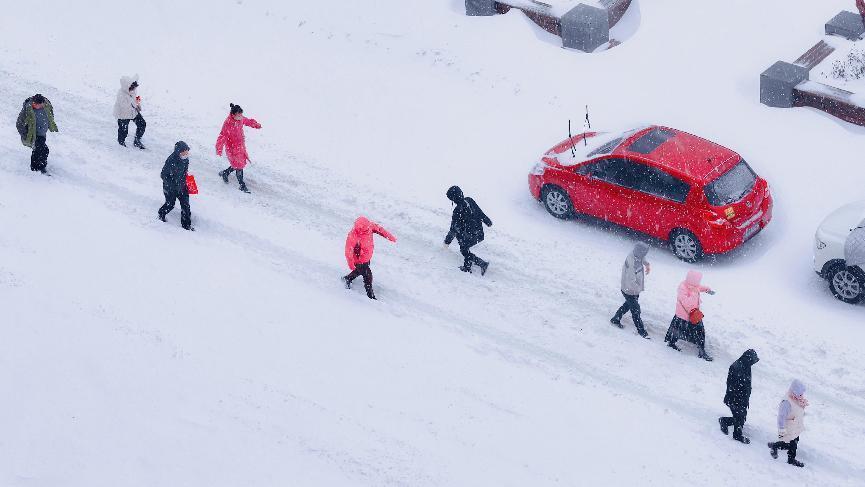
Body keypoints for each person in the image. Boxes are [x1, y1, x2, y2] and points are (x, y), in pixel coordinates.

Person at [664, 270, 715, 361]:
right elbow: (687, 303)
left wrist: (707, 290)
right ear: (692, 280)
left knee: (699, 332)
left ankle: (701, 350)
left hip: (694, 314)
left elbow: (700, 287)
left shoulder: (694, 286)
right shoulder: (682, 287)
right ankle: (671, 343)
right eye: (697, 281)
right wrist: (694, 293)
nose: (698, 283)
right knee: (678, 331)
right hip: (683, 316)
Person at [342, 217, 396, 300]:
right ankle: (370, 296)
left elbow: (380, 230)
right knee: (368, 276)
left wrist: (390, 237)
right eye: (365, 228)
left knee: (361, 271)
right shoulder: (353, 236)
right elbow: (348, 251)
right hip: (358, 259)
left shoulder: (369, 226)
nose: (368, 229)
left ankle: (348, 278)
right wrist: (351, 264)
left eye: (368, 227)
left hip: (367, 256)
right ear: (360, 228)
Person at [444, 186, 492, 275]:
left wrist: (447, 241)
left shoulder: (457, 211)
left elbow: (453, 229)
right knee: (464, 245)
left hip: (471, 235)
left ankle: (477, 265)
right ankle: (472, 265)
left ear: (453, 199)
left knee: (463, 248)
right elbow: (479, 212)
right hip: (479, 234)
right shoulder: (469, 200)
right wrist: (487, 221)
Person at [216, 103, 261, 193]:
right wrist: (219, 148)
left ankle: (225, 172)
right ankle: (241, 184)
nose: (241, 117)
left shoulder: (239, 118)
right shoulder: (228, 124)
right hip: (232, 148)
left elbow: (247, 121)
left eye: (241, 115)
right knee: (239, 165)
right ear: (233, 115)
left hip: (240, 146)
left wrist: (255, 124)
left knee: (238, 163)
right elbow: (222, 136)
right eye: (239, 115)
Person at [610, 242, 651, 338]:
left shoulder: (637, 255)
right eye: (643, 253)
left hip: (634, 290)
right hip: (629, 290)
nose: (644, 255)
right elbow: (632, 281)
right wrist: (638, 288)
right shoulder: (631, 262)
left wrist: (647, 264)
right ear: (639, 252)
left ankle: (615, 319)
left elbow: (643, 258)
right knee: (636, 310)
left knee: (628, 305)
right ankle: (641, 331)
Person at [719, 349, 759, 444]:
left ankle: (724, 420)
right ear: (748, 359)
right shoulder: (736, 367)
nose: (753, 363)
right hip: (735, 398)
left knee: (741, 417)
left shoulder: (746, 365)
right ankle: (737, 435)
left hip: (742, 398)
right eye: (753, 360)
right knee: (740, 416)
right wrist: (738, 399)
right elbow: (732, 385)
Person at [768, 379, 809, 468]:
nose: (802, 395)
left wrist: (801, 414)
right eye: (800, 393)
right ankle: (790, 458)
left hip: (795, 426)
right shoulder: (786, 402)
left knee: (793, 441)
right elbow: (781, 417)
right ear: (795, 391)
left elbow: (796, 409)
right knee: (790, 443)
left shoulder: (796, 398)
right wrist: (781, 429)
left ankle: (776, 446)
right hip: (788, 427)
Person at [16, 94, 58, 174]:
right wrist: (26, 135)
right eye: (34, 104)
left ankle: (36, 167)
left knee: (39, 150)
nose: (35, 106)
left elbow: (50, 115)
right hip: (34, 134)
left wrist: (49, 124)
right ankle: (39, 167)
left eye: (38, 105)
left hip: (42, 133)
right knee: (43, 150)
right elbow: (19, 123)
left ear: (42, 103)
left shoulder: (47, 105)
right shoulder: (28, 109)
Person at [158, 141, 194, 231]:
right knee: (170, 205)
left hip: (182, 186)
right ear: (179, 152)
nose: (186, 154)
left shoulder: (186, 159)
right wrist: (173, 185)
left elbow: (185, 171)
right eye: (184, 152)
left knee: (186, 206)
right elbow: (163, 175)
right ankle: (161, 214)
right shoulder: (171, 160)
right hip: (170, 188)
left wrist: (188, 181)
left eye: (187, 151)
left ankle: (186, 226)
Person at [114, 75, 146, 149]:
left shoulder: (133, 90)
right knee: (123, 131)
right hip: (123, 114)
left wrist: (138, 102)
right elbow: (125, 107)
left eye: (134, 87)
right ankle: (121, 143)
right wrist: (135, 104)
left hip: (133, 112)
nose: (134, 89)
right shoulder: (121, 94)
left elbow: (135, 98)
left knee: (142, 124)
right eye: (132, 87)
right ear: (126, 86)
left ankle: (137, 140)